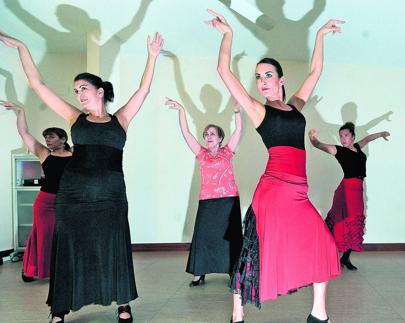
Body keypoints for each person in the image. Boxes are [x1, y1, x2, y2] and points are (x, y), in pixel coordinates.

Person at [0, 30, 164, 323]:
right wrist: (23, 46)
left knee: (114, 245)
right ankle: (59, 308)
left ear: (100, 91)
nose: (79, 95)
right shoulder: (74, 117)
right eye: (76, 91)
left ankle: (123, 303)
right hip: (74, 195)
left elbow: (144, 90)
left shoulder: (121, 119)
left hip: (112, 196)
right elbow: (37, 85)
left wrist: (151, 57)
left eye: (83, 88)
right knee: (70, 248)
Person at [206, 9, 343, 323]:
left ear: (281, 80)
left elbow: (315, 72)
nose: (262, 81)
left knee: (322, 241)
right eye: (258, 77)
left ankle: (318, 314)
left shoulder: (295, 106)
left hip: (298, 193)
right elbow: (224, 72)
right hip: (275, 191)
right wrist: (228, 36)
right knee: (255, 254)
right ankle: (237, 315)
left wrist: (320, 36)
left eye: (268, 75)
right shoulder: (257, 110)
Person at [164, 98, 243, 286]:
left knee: (229, 237)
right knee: (204, 236)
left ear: (220, 138)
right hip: (208, 200)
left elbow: (238, 130)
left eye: (213, 134)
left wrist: (237, 112)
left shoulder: (228, 151)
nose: (209, 137)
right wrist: (181, 110)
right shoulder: (201, 153)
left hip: (229, 200)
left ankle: (232, 269)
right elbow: (186, 133)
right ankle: (199, 272)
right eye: (206, 134)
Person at [1, 100, 72, 282]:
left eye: (51, 136)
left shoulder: (76, 154)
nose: (47, 140)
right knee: (43, 235)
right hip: (45, 202)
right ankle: (32, 269)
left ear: (63, 139)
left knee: (64, 236)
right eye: (46, 137)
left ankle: (61, 269)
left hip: (67, 202)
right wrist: (21, 111)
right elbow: (24, 133)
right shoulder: (44, 153)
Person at [308, 123, 390, 271]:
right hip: (346, 190)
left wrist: (382, 133)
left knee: (355, 224)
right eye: (341, 136)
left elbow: (368, 138)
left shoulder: (358, 147)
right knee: (344, 222)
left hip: (357, 189)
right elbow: (318, 145)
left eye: (346, 135)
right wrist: (312, 138)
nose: (343, 139)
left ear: (353, 136)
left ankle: (345, 258)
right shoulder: (338, 150)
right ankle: (325, 255)